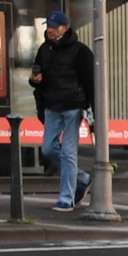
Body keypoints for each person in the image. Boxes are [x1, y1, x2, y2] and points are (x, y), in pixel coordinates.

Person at [28, 11, 93, 212]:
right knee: (48, 148)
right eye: (48, 26)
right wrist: (34, 80)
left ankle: (67, 198)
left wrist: (92, 111)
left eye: (54, 26)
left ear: (65, 28)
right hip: (52, 105)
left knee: (68, 151)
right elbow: (39, 78)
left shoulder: (80, 51)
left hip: (73, 106)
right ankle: (82, 178)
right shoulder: (44, 49)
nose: (50, 30)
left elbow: (90, 82)